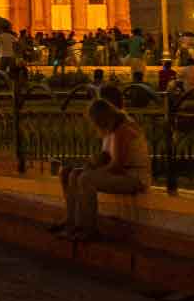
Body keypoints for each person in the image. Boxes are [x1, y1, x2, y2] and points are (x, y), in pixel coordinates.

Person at [54, 99, 151, 241]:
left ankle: (89, 229)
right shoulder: (113, 130)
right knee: (74, 173)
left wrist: (92, 172)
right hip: (123, 174)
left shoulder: (123, 129)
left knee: (86, 179)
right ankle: (72, 222)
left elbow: (118, 165)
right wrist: (91, 164)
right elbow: (107, 157)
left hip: (135, 177)